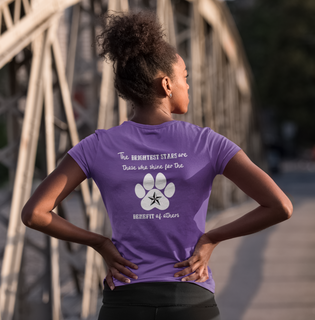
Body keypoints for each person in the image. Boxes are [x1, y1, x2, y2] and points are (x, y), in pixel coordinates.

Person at [21, 11, 293, 320]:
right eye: (185, 78)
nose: (187, 86)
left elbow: (35, 214)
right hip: (190, 299)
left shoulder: (97, 146)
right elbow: (280, 206)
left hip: (125, 301)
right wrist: (212, 238)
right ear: (166, 84)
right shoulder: (207, 143)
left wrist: (99, 243)